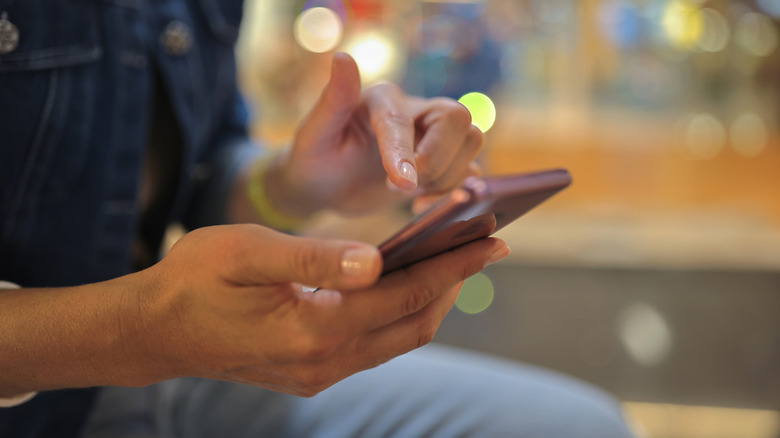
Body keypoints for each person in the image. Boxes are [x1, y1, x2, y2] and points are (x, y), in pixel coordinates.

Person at [0, 1, 636, 437]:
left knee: (577, 426)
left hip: (150, 375)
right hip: (59, 380)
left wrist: (296, 183)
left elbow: (204, 174)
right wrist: (145, 331)